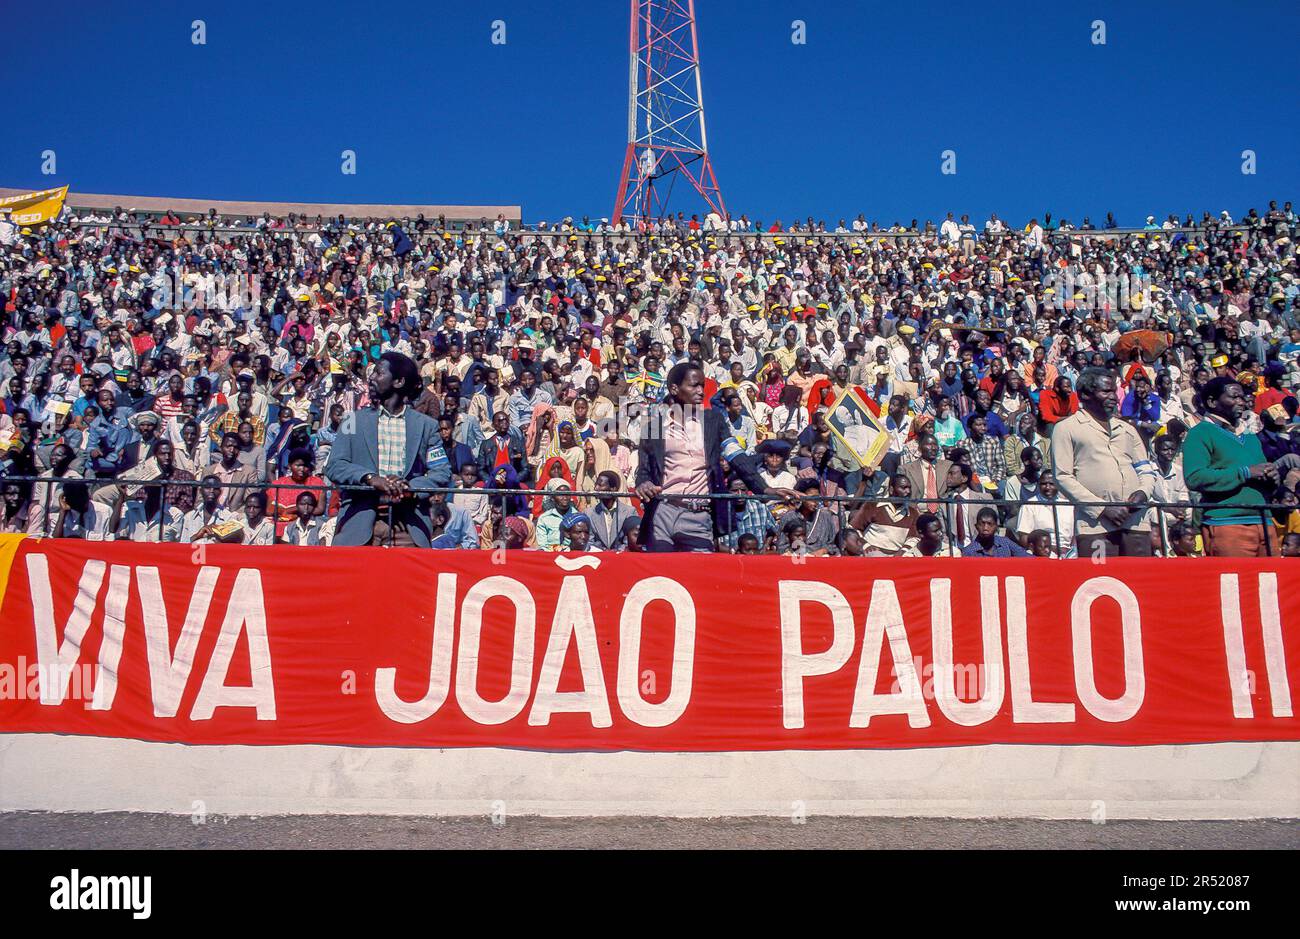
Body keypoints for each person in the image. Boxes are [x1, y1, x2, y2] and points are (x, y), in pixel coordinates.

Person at [634, 362, 786, 552]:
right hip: (662, 512)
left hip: (699, 515)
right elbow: (644, 469)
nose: (701, 391)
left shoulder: (713, 421)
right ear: (674, 388)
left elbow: (736, 455)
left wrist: (764, 488)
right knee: (663, 578)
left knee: (699, 576)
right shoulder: (654, 427)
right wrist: (643, 482)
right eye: (694, 385)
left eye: (702, 386)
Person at [325, 352, 451, 547]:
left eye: (379, 373)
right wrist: (370, 478)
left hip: (408, 527)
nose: (372, 378)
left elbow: (442, 471)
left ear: (399, 382)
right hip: (359, 523)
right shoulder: (352, 420)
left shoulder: (425, 425)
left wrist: (410, 488)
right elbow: (335, 465)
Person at [1052, 368, 1156, 558]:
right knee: (1101, 582)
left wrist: (1143, 492)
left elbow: (1146, 470)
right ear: (1085, 395)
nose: (1114, 398)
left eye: (1113, 391)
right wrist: (1101, 508)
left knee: (1138, 582)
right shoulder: (1066, 428)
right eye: (1105, 391)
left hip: (1136, 522)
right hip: (1094, 526)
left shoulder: (1127, 429)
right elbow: (1062, 477)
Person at [1183, 377, 1279, 557]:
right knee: (1237, 581)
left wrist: (1272, 478)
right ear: (1212, 402)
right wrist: (1245, 473)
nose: (1241, 402)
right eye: (1234, 397)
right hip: (1227, 523)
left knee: (1273, 583)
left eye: (1242, 397)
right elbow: (1195, 477)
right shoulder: (1200, 433)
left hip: (1264, 521)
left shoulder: (1250, 435)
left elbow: (1260, 476)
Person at [962, 506, 1031, 557]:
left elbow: (1026, 557)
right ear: (976, 526)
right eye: (982, 524)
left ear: (996, 527)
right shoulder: (968, 552)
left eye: (990, 524)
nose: (985, 528)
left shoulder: (1006, 542)